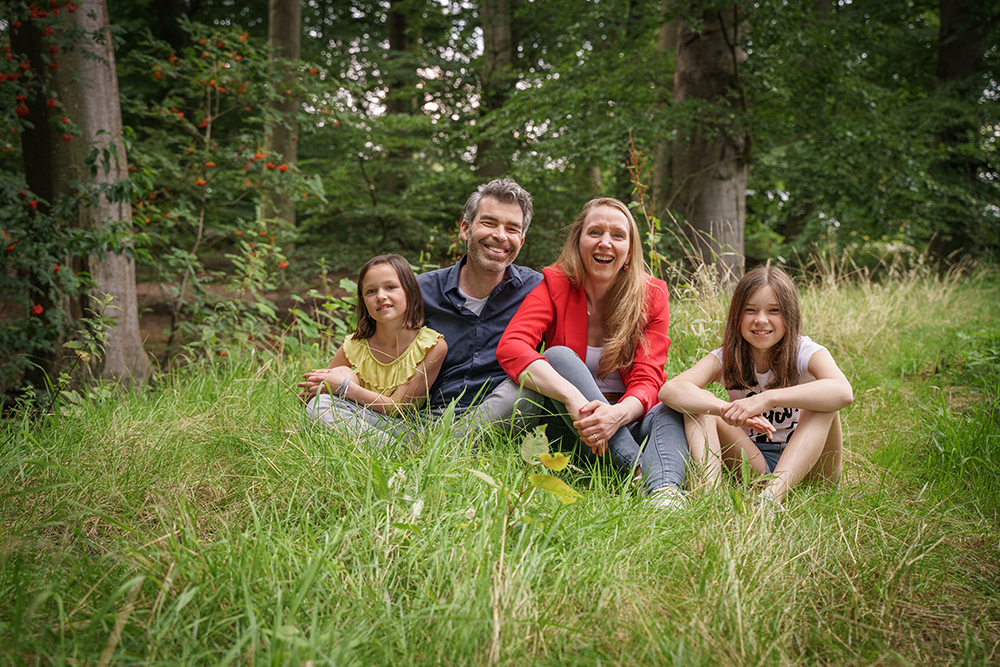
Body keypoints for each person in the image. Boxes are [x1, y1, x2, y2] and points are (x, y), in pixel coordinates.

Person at [496, 197, 689, 505]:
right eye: (595, 232)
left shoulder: (652, 296)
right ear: (578, 241)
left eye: (617, 235)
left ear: (629, 248)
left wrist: (616, 415)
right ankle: (637, 470)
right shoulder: (555, 285)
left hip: (627, 416)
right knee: (558, 357)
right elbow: (512, 346)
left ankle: (665, 494)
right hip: (575, 425)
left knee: (669, 407)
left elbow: (648, 378)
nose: (605, 243)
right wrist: (573, 398)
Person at [658, 266, 853, 511]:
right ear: (737, 316)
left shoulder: (806, 352)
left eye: (774, 311)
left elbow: (843, 391)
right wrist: (724, 408)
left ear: (789, 316)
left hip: (812, 467)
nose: (761, 320)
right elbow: (670, 390)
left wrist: (766, 399)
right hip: (754, 463)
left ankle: (771, 500)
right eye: (750, 310)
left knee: (823, 403)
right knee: (698, 404)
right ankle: (711, 496)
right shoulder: (727, 358)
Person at [417, 178, 545, 434]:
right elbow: (379, 353)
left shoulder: (538, 289)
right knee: (324, 405)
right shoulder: (420, 291)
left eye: (512, 228)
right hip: (425, 418)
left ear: (521, 239)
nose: (500, 236)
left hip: (498, 415)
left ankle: (442, 448)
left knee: (529, 386)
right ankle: (433, 444)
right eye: (489, 223)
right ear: (465, 228)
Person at [301, 254, 448, 444]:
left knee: (327, 401)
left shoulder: (431, 346)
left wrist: (345, 387)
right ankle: (373, 447)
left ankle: (394, 451)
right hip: (360, 419)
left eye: (390, 287)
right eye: (371, 291)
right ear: (363, 301)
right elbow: (315, 393)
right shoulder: (355, 346)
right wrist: (317, 388)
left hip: (405, 428)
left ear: (410, 293)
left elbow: (398, 407)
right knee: (327, 395)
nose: (381, 296)